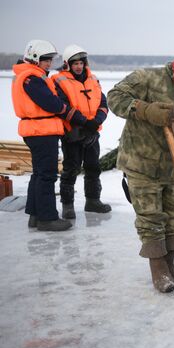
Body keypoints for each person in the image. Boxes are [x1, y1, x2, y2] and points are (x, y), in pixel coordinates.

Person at [107, 50, 174, 293]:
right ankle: (158, 270)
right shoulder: (149, 78)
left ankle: (170, 264)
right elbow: (114, 97)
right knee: (150, 218)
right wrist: (146, 110)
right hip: (141, 162)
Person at [11, 40, 87, 231]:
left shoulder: (32, 75)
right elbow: (51, 103)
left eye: (51, 60)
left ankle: (35, 215)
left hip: (38, 130)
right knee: (47, 175)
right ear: (35, 59)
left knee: (39, 174)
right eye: (46, 60)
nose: (49, 63)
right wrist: (70, 113)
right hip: (41, 131)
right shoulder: (32, 78)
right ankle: (47, 218)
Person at [52, 44, 111, 219]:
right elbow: (62, 107)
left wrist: (97, 121)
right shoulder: (59, 80)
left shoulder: (93, 79)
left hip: (92, 132)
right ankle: (67, 205)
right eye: (74, 63)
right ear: (67, 64)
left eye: (81, 63)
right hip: (72, 133)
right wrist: (84, 122)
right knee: (71, 169)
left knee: (93, 167)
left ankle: (93, 201)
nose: (78, 66)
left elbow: (103, 103)